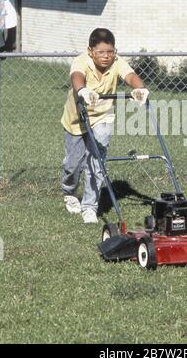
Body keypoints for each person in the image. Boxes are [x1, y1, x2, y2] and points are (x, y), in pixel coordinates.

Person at [61, 28, 149, 223]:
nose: (106, 56)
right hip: (76, 119)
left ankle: (89, 207)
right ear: (91, 51)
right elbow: (76, 76)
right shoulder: (81, 60)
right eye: (101, 52)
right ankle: (69, 191)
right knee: (73, 164)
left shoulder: (117, 62)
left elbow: (130, 76)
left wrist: (140, 88)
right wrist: (83, 91)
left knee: (96, 161)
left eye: (110, 51)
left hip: (102, 117)